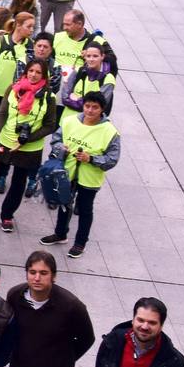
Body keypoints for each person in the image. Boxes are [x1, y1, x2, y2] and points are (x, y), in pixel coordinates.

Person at [0, 58, 59, 229]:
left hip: (29, 147)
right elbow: (2, 113)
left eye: (38, 72)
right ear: (26, 72)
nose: (34, 75)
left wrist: (28, 138)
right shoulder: (13, 89)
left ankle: (7, 216)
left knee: (18, 183)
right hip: (4, 141)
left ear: (44, 76)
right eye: (31, 71)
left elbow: (50, 125)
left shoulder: (49, 97)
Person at [41, 92, 121, 259]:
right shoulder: (69, 121)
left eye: (95, 107)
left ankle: (80, 243)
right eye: (87, 106)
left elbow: (112, 159)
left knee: (85, 210)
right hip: (67, 174)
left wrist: (91, 158)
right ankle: (60, 233)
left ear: (102, 109)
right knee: (64, 205)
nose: (90, 111)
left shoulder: (110, 131)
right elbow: (55, 140)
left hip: (89, 179)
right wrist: (60, 148)